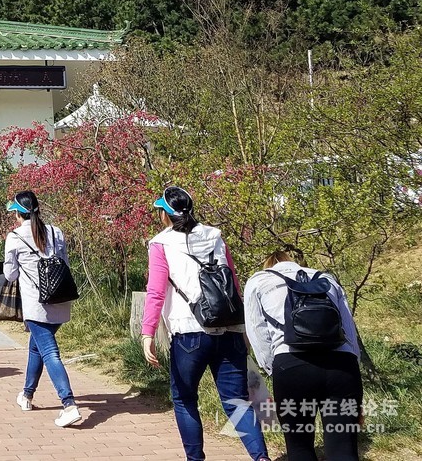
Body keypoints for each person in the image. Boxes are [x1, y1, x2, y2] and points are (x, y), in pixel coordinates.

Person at [141, 186, 271, 461]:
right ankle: (261, 458)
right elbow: (233, 283)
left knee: (184, 399)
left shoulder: (161, 244)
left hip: (189, 332)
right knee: (237, 402)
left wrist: (147, 333)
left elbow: (156, 292)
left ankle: (196, 459)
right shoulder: (215, 236)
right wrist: (244, 328)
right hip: (229, 328)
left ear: (165, 214)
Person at [244, 250, 362, 461]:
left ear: (268, 265)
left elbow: (257, 334)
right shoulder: (325, 278)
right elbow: (349, 331)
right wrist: (353, 369)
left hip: (292, 365)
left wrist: (274, 368)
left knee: (299, 448)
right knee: (343, 449)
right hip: (342, 365)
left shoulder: (258, 280)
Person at [2, 190, 82, 427]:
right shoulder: (56, 232)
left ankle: (69, 404)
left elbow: (10, 274)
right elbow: (65, 264)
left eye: (14, 213)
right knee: (36, 347)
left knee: (49, 352)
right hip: (61, 300)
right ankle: (27, 395)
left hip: (36, 305)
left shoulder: (15, 237)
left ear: (19, 214)